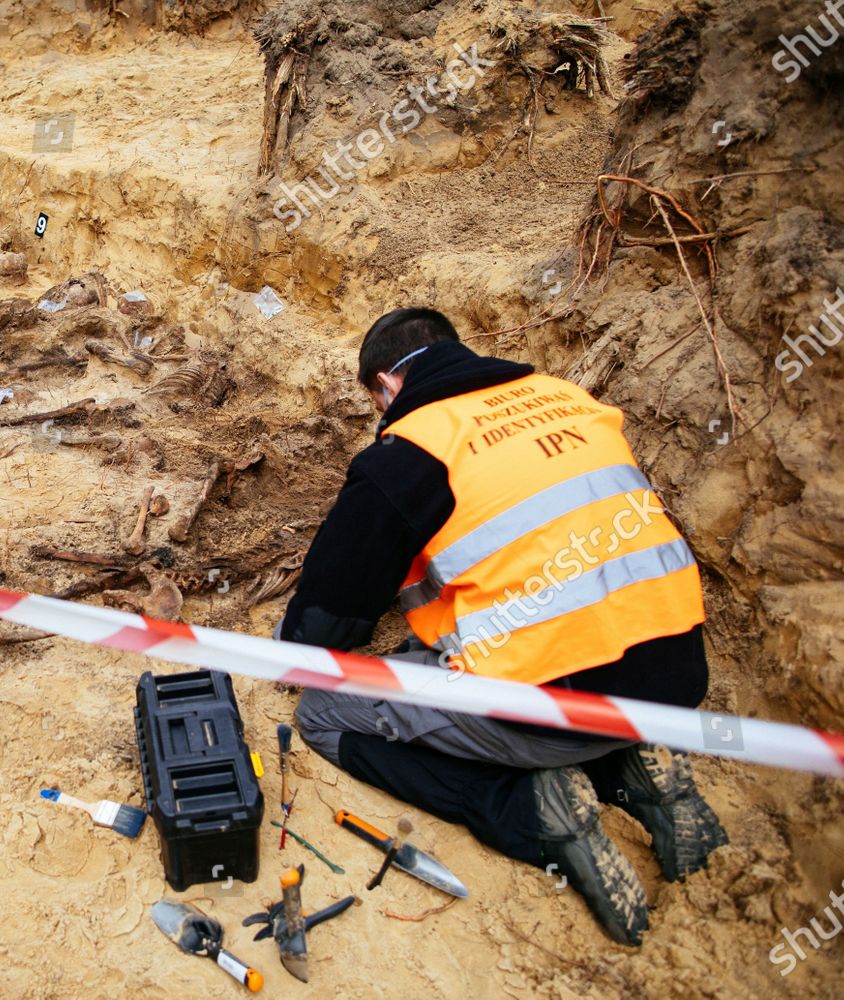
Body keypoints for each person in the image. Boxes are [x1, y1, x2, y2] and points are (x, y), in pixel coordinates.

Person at [281, 307, 727, 946]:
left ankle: (525, 811)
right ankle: (627, 769)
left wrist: (302, 645)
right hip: (674, 684)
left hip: (553, 709)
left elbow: (322, 626)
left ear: (385, 385)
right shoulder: (568, 398)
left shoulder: (409, 453)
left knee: (324, 712)